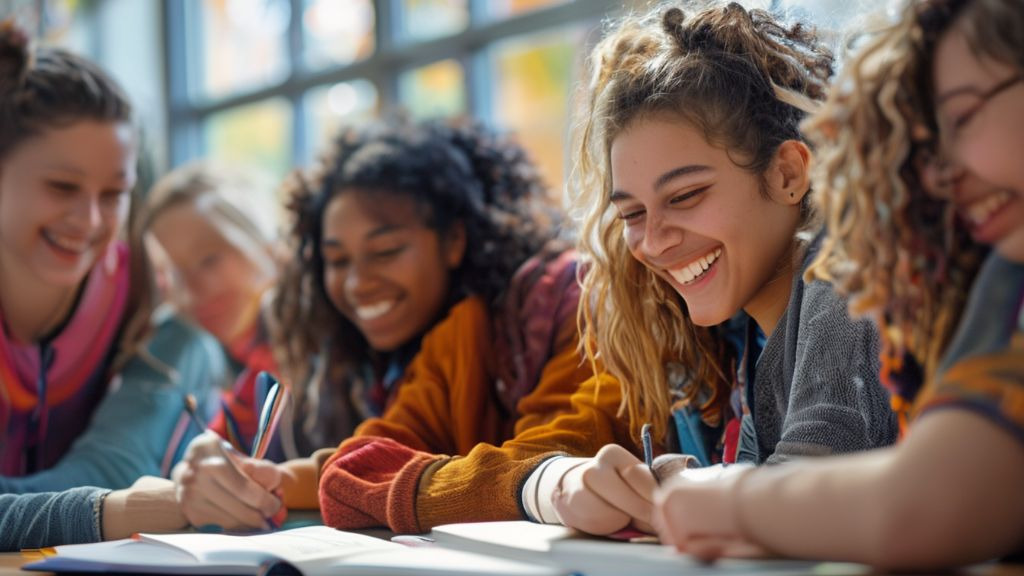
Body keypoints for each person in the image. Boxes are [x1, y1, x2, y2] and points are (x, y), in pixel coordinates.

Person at [317, 0, 898, 536]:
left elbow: (808, 481)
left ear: (788, 174)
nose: (654, 240)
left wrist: (677, 492)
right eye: (633, 213)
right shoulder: (759, 344)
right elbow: (760, 484)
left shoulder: (839, 269)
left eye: (687, 195)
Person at [652, 0, 1024, 569]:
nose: (941, 171)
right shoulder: (1002, 276)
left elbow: (925, 505)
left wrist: (729, 502)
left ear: (789, 174)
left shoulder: (839, 272)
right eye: (928, 144)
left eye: (965, 116)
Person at [174, 116, 590, 532]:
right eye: (337, 261)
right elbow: (357, 466)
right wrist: (264, 479)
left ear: (454, 241)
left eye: (386, 251)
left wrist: (377, 487)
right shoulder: (427, 346)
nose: (358, 283)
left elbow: (556, 467)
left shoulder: (562, 297)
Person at [0, 21, 224, 548]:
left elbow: (107, 472)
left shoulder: (151, 302)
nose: (90, 220)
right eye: (62, 187)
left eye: (115, 193)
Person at [144, 161, 283, 457]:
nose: (191, 292)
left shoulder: (305, 356)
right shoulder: (223, 367)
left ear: (262, 242)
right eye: (173, 276)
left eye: (209, 260)